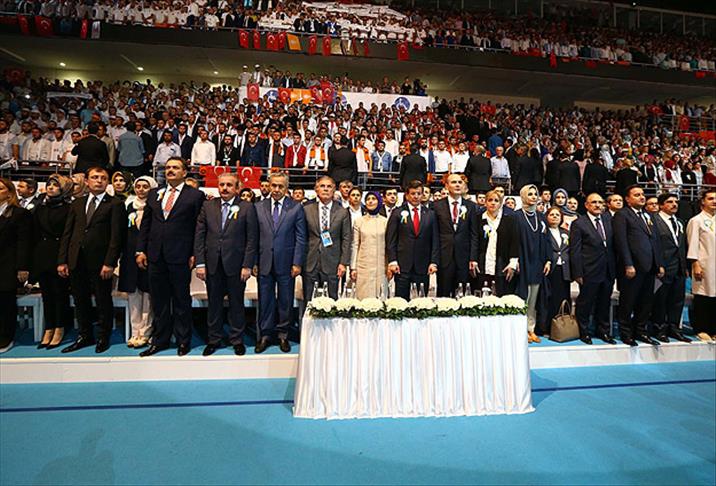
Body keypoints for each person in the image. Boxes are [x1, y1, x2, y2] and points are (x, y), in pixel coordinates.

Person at [136, 157, 205, 357]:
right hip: (155, 255)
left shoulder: (195, 195)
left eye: (175, 167)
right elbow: (146, 224)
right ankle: (160, 340)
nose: (170, 170)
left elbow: (198, 228)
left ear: (184, 172)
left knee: (181, 300)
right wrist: (140, 250)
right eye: (167, 168)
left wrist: (194, 253)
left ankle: (183, 340)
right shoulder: (154, 193)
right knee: (159, 301)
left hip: (181, 255)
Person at [57, 167, 127, 354]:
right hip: (76, 259)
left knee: (103, 300)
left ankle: (104, 336)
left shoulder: (115, 204)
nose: (99, 181)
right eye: (95, 177)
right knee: (80, 300)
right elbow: (68, 233)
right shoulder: (77, 203)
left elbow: (116, 237)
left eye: (103, 178)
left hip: (101, 262)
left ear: (107, 182)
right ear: (87, 181)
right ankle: (85, 335)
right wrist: (62, 260)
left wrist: (110, 262)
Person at [195, 173, 258, 356]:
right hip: (212, 264)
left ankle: (236, 340)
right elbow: (199, 235)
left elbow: (252, 239)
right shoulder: (208, 206)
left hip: (237, 266)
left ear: (237, 188)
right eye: (222, 184)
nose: (224, 188)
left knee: (236, 304)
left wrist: (247, 265)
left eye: (229, 185)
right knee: (214, 304)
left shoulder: (247, 207)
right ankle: (213, 340)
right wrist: (200, 263)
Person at [254, 171, 306, 354]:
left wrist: (297, 262)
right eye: (273, 185)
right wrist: (254, 262)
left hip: (287, 263)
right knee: (265, 300)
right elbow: (253, 237)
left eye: (280, 186)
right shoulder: (258, 207)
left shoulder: (296, 208)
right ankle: (265, 335)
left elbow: (301, 237)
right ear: (269, 185)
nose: (276, 189)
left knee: (285, 300)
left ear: (286, 188)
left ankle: (283, 335)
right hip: (264, 261)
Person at [612, 185, 664, 346]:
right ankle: (626, 332)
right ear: (627, 199)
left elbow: (655, 241)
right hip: (632, 267)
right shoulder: (622, 215)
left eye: (642, 194)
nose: (642, 197)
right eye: (636, 195)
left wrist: (659, 264)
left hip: (650, 267)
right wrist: (628, 264)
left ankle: (640, 331)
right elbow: (621, 242)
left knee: (646, 302)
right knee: (628, 301)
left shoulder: (648, 215)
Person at [32, 174, 73, 349]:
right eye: (49, 184)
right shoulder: (40, 208)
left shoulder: (69, 208)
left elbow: (67, 235)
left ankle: (60, 327)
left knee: (59, 293)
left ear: (63, 188)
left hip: (59, 254)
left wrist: (64, 260)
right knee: (46, 294)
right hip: (42, 254)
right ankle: (49, 327)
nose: (50, 187)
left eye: (55, 185)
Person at [569, 193, 617, 344]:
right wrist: (577, 273)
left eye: (600, 202)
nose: (597, 205)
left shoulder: (609, 220)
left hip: (608, 269)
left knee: (604, 302)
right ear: (586, 205)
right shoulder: (579, 223)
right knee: (585, 303)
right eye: (594, 202)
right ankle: (583, 332)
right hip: (589, 270)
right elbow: (575, 250)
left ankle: (603, 331)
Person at [118, 175, 158, 349]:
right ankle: (135, 332)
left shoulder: (156, 207)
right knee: (133, 295)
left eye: (145, 186)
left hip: (150, 256)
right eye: (138, 186)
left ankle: (146, 331)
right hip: (129, 256)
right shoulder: (128, 206)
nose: (141, 189)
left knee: (148, 296)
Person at [386, 179, 439, 300]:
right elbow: (391, 239)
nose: (416, 196)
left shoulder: (430, 214)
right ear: (407, 195)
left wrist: (433, 262)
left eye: (419, 193)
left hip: (423, 265)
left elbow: (435, 240)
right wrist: (392, 261)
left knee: (421, 301)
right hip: (402, 265)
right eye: (413, 193)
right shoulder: (397, 213)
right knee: (401, 302)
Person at [511, 184, 552, 343]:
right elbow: (511, 241)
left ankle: (530, 329)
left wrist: (548, 260)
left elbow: (547, 240)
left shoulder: (541, 217)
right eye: (530, 194)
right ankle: (519, 330)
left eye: (535, 194)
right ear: (523, 196)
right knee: (522, 297)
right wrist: (514, 260)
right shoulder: (515, 216)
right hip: (522, 261)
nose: (534, 196)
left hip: (537, 262)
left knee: (533, 300)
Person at [303, 176, 352, 301]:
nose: (325, 189)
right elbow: (301, 237)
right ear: (316, 189)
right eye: (322, 186)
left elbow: (346, 239)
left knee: (331, 300)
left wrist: (343, 263)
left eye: (329, 186)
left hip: (333, 262)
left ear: (334, 190)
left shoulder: (342, 212)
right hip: (310, 261)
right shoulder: (306, 210)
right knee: (309, 300)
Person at [650, 193, 691, 343]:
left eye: (675, 202)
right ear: (661, 205)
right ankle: (659, 329)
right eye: (669, 202)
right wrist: (658, 265)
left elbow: (682, 246)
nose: (674, 204)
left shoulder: (679, 222)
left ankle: (674, 329)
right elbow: (653, 245)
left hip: (679, 267)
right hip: (662, 268)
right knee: (660, 300)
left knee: (677, 301)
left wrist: (685, 266)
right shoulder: (653, 220)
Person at [432, 174, 479, 297]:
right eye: (454, 182)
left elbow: (474, 234)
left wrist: (473, 258)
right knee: (443, 295)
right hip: (444, 256)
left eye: (460, 182)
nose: (457, 185)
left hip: (464, 257)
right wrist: (434, 260)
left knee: (462, 294)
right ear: (446, 186)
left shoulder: (471, 206)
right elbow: (434, 235)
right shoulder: (436, 206)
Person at [0, 178, 32, 353]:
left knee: (6, 303)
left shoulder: (19, 214)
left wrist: (22, 267)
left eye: (0, 189)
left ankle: (6, 337)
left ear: (9, 193)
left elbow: (24, 242)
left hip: (8, 264)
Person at [686, 189, 716, 342]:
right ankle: (701, 328)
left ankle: (714, 329)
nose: (714, 201)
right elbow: (692, 244)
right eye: (710, 198)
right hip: (704, 264)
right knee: (703, 297)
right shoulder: (696, 220)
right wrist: (695, 264)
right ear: (703, 201)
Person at [476, 189, 518, 297]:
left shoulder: (509, 220)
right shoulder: (478, 219)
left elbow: (514, 242)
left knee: (500, 296)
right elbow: (475, 241)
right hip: (483, 263)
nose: (493, 203)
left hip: (502, 264)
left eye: (496, 200)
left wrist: (513, 263)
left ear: (500, 204)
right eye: (490, 200)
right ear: (485, 202)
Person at [539, 207, 572, 337]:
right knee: (549, 299)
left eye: (557, 215)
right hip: (549, 270)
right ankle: (547, 328)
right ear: (546, 217)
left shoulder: (566, 232)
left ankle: (563, 328)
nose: (554, 217)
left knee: (563, 298)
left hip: (564, 270)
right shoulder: (543, 232)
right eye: (551, 214)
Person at [351, 191, 389, 299]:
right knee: (363, 300)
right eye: (368, 199)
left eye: (373, 199)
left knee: (381, 298)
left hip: (381, 266)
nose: (370, 201)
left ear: (379, 201)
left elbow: (389, 246)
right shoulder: (359, 221)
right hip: (363, 266)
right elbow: (355, 245)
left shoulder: (385, 222)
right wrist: (353, 267)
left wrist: (388, 265)